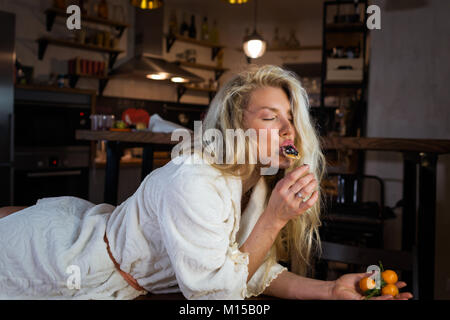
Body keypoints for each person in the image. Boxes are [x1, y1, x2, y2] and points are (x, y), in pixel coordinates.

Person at [0, 65, 413, 300]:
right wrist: (274, 220)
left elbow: (249, 270)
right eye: (270, 117)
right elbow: (216, 296)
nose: (289, 129)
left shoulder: (260, 179)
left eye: (290, 118)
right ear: (236, 124)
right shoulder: (194, 179)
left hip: (94, 240)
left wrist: (329, 291)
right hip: (62, 260)